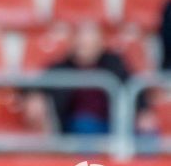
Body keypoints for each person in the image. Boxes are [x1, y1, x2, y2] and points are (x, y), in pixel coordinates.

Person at [20, 23, 156, 135]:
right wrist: (34, 96)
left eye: (88, 42)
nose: (83, 47)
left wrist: (143, 112)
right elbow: (33, 84)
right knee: (84, 125)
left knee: (148, 132)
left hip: (113, 124)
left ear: (100, 43)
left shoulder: (113, 63)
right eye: (80, 42)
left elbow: (133, 85)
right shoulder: (62, 67)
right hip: (77, 126)